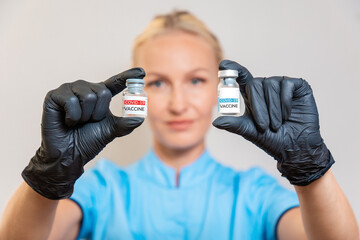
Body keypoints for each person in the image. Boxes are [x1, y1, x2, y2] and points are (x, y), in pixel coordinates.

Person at [0, 10, 358, 240]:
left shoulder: (254, 194)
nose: (178, 103)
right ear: (136, 91)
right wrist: (48, 175)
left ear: (220, 88)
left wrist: (310, 167)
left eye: (196, 80)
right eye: (157, 82)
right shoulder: (102, 189)